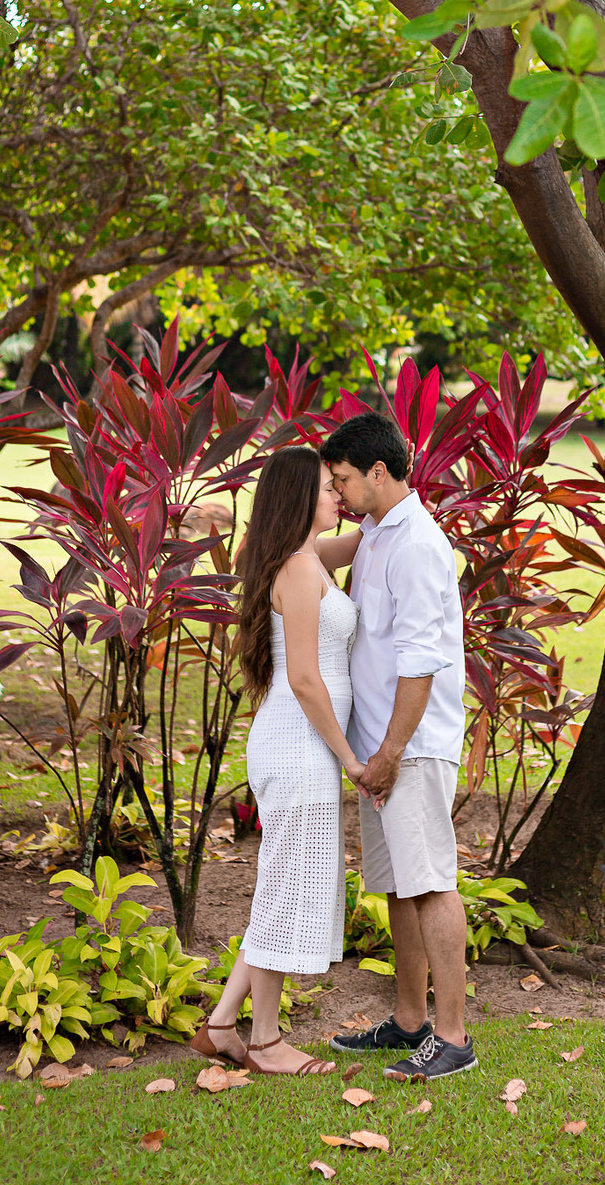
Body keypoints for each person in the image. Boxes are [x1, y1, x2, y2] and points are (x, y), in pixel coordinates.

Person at [193, 445, 365, 1077]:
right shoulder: (295, 568)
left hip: (297, 747)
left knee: (279, 887)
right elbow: (304, 679)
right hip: (300, 748)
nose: (337, 497)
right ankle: (265, 1042)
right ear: (298, 498)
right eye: (326, 488)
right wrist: (350, 759)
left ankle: (220, 1026)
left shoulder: (302, 558)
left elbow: (361, 543)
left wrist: (394, 518)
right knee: (286, 891)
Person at [321, 411, 475, 1082]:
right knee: (396, 887)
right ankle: (410, 1019)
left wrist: (388, 752)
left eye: (344, 479)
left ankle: (453, 1037)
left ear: (378, 473)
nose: (339, 492)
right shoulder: (379, 532)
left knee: (432, 881)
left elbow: (420, 662)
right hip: (380, 746)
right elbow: (308, 554)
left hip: (409, 745)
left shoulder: (416, 546)